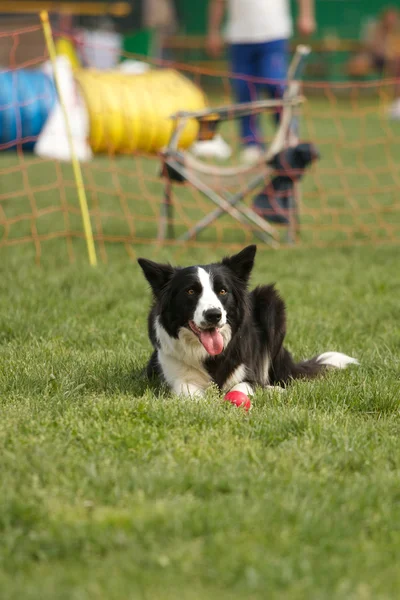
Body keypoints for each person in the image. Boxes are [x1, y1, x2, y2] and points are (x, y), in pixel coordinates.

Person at [206, 0, 316, 164]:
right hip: (239, 37)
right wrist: (213, 31)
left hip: (273, 33)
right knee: (244, 91)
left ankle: (288, 137)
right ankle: (251, 144)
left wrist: (306, 15)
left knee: (276, 86)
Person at [347, 7, 400, 118]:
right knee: (358, 63)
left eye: (393, 19)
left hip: (393, 61)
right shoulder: (375, 30)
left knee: (397, 65)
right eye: (389, 18)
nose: (391, 21)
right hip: (376, 58)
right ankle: (353, 97)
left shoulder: (397, 32)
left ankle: (397, 102)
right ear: (384, 19)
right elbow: (372, 47)